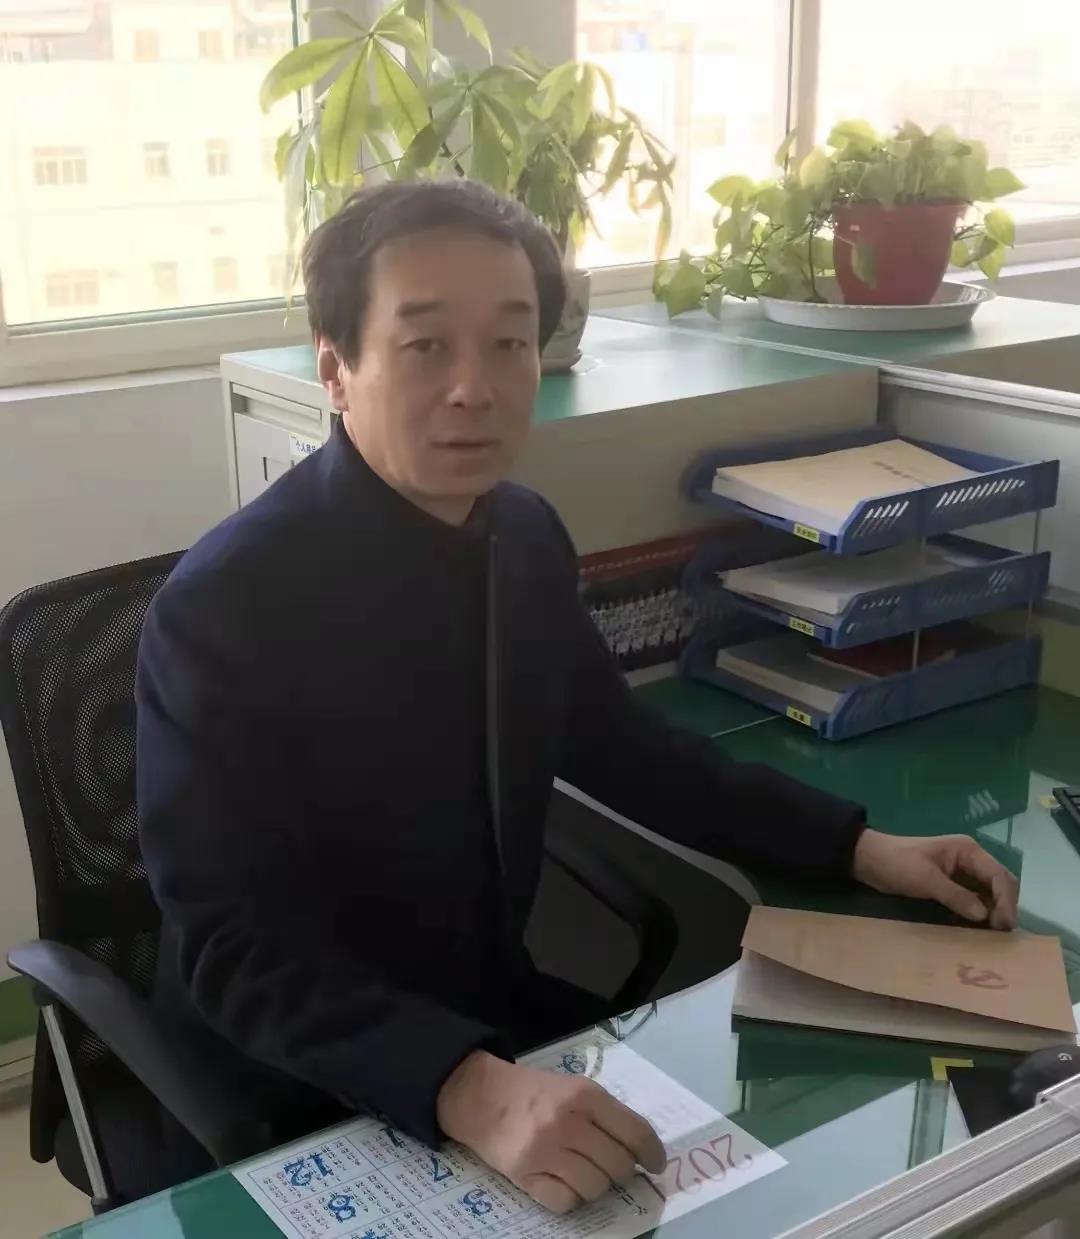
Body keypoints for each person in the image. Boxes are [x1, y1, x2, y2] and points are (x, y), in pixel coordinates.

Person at [136, 179, 1019, 1214]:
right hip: (292, 1079)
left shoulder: (520, 537)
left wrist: (857, 845)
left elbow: (624, 748)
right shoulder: (224, 609)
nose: (475, 388)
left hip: (488, 1021)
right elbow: (234, 949)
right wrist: (463, 1086)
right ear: (336, 368)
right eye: (426, 346)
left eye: (510, 343)